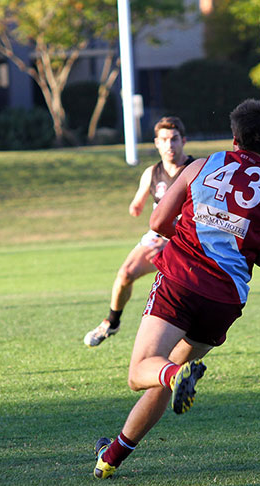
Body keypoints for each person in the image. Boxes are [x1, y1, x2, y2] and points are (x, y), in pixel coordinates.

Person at [92, 99, 260, 479]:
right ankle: (111, 457)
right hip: (224, 300)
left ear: (234, 136)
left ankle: (175, 376)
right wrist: (241, 239)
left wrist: (193, 234)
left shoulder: (201, 166)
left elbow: (157, 221)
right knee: (169, 369)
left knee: (143, 373)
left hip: (180, 280)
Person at [83, 116, 195, 347]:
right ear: (156, 143)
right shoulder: (151, 173)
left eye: (174, 139)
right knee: (125, 274)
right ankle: (111, 322)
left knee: (185, 293)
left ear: (183, 140)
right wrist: (135, 206)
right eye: (164, 140)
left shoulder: (196, 170)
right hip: (157, 239)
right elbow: (139, 202)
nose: (169, 145)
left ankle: (188, 337)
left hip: (188, 242)